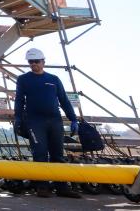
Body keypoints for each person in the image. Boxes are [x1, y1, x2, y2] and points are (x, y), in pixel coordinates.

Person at [14, 47, 81, 198]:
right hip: (35, 121)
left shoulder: (53, 79)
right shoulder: (23, 79)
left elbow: (64, 100)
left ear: (43, 62)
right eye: (31, 62)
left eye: (36, 61)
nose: (34, 64)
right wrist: (17, 118)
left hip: (55, 120)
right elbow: (19, 100)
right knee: (40, 153)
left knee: (58, 154)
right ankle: (42, 187)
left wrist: (73, 119)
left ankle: (62, 187)